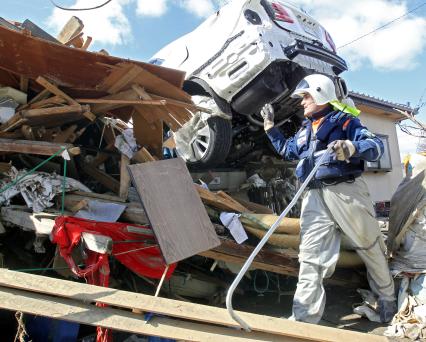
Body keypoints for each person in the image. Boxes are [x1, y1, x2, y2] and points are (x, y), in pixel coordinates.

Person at [260, 74, 396, 324]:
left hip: (345, 191)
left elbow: (376, 145)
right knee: (310, 256)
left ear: (321, 92)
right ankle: (304, 318)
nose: (302, 103)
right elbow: (288, 150)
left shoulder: (344, 121)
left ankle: (387, 300)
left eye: (306, 96)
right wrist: (270, 128)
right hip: (313, 195)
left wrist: (351, 147)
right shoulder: (304, 130)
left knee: (369, 245)